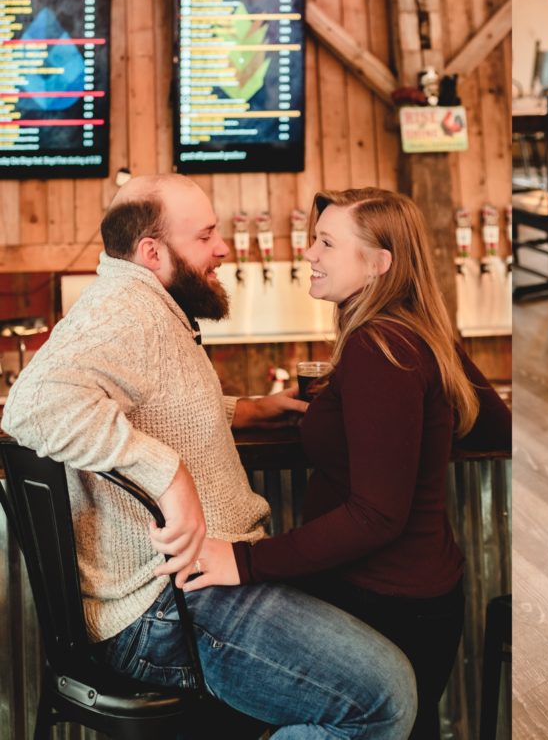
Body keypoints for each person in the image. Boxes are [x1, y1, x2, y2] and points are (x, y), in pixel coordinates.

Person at [1, 174, 416, 739]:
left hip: (183, 589)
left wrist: (242, 410)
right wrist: (169, 477)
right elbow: (30, 405)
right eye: (205, 237)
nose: (222, 249)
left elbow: (153, 402)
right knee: (383, 701)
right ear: (152, 252)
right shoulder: (127, 311)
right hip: (165, 605)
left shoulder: (145, 305)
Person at [182, 188, 512, 740]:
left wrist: (245, 561)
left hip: (383, 600)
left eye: (326, 243)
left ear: (378, 264)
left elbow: (377, 515)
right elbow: (496, 425)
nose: (310, 253)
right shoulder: (416, 333)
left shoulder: (378, 347)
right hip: (421, 597)